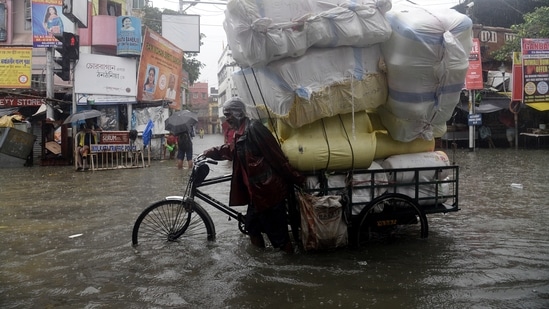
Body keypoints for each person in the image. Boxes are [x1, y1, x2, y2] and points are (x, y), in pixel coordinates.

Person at [202, 97, 304, 254]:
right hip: (255, 196)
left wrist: (296, 178)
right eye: (225, 115)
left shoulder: (255, 129)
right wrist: (210, 152)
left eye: (229, 114)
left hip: (268, 194)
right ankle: (260, 262)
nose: (227, 119)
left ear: (240, 113)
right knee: (252, 229)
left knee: (280, 239)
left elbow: (276, 157)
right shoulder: (240, 133)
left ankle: (291, 265)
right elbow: (231, 150)